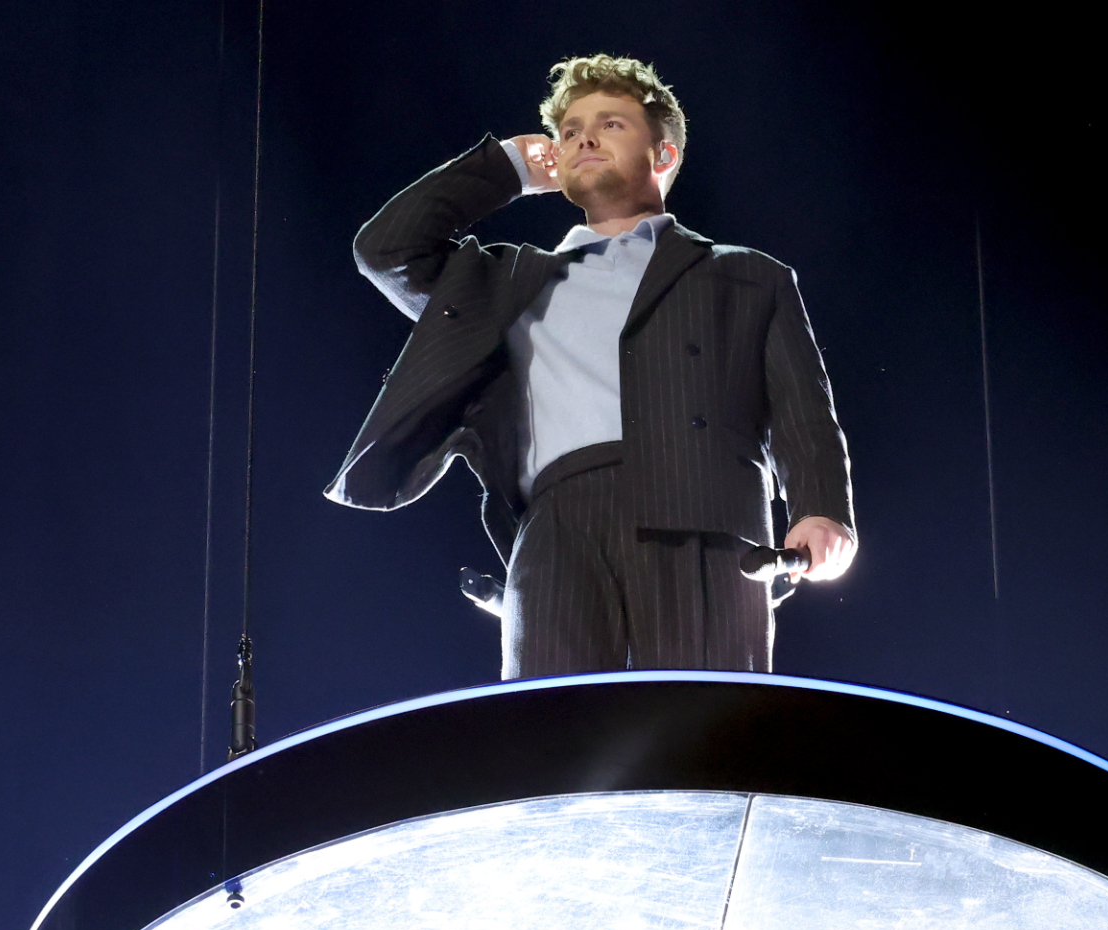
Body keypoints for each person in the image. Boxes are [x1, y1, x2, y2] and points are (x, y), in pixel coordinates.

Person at [328, 55, 855, 678]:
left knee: (704, 735)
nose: (583, 136)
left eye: (612, 124)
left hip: (706, 513)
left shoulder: (748, 274)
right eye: (571, 128)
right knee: (552, 739)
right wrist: (509, 168)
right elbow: (384, 249)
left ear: (664, 156)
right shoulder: (506, 283)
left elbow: (803, 407)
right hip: (556, 524)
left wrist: (821, 508)